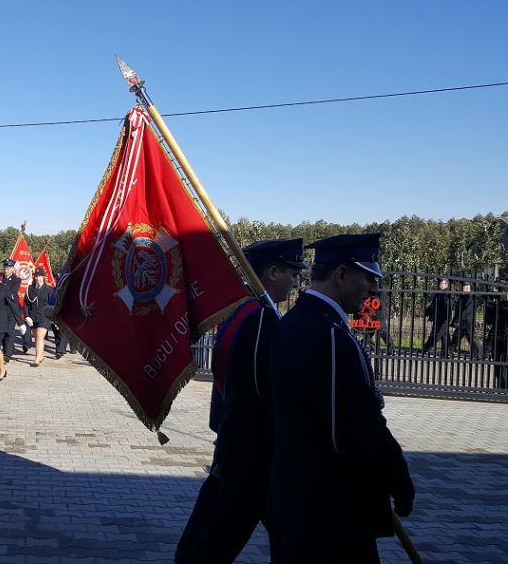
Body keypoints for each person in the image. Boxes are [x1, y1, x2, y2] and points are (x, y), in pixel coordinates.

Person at [269, 234, 414, 562]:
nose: (373, 288)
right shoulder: (332, 337)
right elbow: (361, 426)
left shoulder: (292, 324)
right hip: (334, 504)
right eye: (368, 277)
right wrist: (399, 479)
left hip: (297, 493)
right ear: (342, 275)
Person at [176, 238, 307, 563]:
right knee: (216, 539)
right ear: (273, 272)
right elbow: (259, 390)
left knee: (283, 533)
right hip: (253, 452)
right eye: (292, 272)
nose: (295, 281)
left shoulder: (241, 309)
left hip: (239, 446)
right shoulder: (262, 318)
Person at [24, 268, 55, 367]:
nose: (37, 278)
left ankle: (37, 359)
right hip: (33, 317)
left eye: (40, 276)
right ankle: (41, 355)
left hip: (44, 316)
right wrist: (27, 316)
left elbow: (53, 304)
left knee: (40, 337)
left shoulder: (49, 289)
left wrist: (53, 317)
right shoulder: (30, 288)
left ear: (44, 277)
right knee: (36, 337)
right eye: (36, 276)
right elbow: (25, 304)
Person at [0, 259, 25, 361]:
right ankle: (5, 349)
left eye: (8, 268)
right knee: (1, 332)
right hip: (0, 310)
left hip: (10, 310)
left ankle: (8, 354)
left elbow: (12, 293)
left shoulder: (16, 280)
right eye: (5, 268)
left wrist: (0, 290)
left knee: (9, 332)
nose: (6, 270)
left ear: (13, 269)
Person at [422, 278, 452, 356]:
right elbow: (433, 305)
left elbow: (447, 307)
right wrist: (427, 312)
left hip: (443, 319)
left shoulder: (447, 294)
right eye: (440, 283)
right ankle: (446, 352)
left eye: (442, 283)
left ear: (446, 284)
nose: (440, 284)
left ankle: (426, 348)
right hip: (437, 318)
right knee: (444, 335)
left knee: (436, 334)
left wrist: (446, 318)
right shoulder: (439, 293)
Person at [485, 287, 508, 389]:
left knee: (504, 363)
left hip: (505, 338)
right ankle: (501, 386)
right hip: (496, 337)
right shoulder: (495, 306)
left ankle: (504, 386)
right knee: (497, 363)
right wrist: (490, 306)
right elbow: (489, 321)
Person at [451, 281, 482, 358]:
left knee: (471, 338)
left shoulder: (470, 296)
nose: (464, 287)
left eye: (466, 286)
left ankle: (479, 354)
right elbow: (458, 310)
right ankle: (448, 352)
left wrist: (457, 320)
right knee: (456, 337)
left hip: (467, 321)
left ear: (469, 287)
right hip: (462, 321)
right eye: (464, 286)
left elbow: (465, 308)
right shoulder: (463, 296)